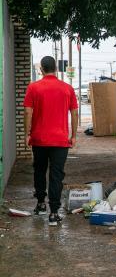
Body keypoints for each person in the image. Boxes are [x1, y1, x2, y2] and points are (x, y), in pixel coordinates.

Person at [23, 56, 78, 226]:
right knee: (56, 175)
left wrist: (27, 134)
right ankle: (54, 213)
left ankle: (40, 205)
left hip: (39, 139)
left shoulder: (33, 87)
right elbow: (74, 113)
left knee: (39, 171)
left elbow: (27, 112)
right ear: (56, 68)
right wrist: (73, 135)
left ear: (41, 69)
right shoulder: (67, 88)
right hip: (61, 140)